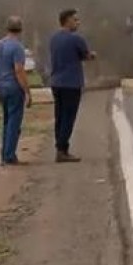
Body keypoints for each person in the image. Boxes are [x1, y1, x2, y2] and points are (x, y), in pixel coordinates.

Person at [50, 9, 97, 163]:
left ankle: (59, 147)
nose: (78, 22)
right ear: (67, 21)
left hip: (56, 82)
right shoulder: (76, 39)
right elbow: (86, 55)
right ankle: (62, 150)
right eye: (75, 20)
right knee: (69, 117)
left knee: (59, 116)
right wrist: (92, 55)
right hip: (71, 83)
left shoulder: (53, 38)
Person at [0, 16, 32, 166]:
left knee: (6, 122)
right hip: (14, 87)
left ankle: (5, 154)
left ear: (6, 28)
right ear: (20, 29)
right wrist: (27, 91)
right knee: (14, 122)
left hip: (1, 86)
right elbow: (19, 70)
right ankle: (9, 155)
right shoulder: (17, 47)